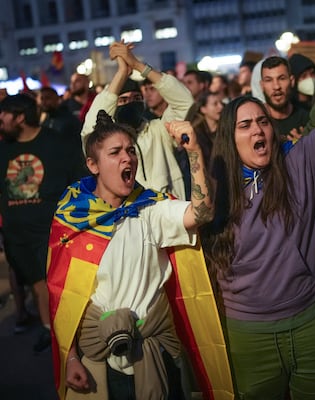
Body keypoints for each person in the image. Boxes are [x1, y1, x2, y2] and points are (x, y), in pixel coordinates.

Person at [201, 26, 315, 399]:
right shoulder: (216, 190)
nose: (258, 130)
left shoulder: (299, 163)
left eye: (262, 121)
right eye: (245, 125)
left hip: (313, 322)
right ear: (230, 139)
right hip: (248, 336)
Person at [47, 109, 233, 399]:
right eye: (115, 152)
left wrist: (194, 152)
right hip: (99, 359)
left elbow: (202, 211)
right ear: (92, 165)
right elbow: (63, 296)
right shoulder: (73, 218)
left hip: (156, 352)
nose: (127, 158)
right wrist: (70, 357)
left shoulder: (150, 208)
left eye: (131, 151)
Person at [0, 93, 86, 353]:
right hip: (17, 236)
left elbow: (80, 185)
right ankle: (53, 334)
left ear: (20, 117)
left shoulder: (59, 144)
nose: (0, 120)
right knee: (38, 287)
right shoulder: (3, 149)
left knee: (56, 286)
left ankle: (69, 340)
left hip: (54, 232)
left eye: (3, 115)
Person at [81, 41, 194, 200]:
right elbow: (90, 127)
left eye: (136, 98)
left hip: (168, 218)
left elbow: (184, 101)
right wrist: (121, 73)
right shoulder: (104, 140)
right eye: (123, 100)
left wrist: (138, 65)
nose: (130, 103)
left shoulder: (159, 130)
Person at [260, 56, 309, 141]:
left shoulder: (307, 120)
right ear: (262, 85)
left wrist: (306, 147)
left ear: (292, 81)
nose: (276, 86)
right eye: (269, 80)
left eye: (282, 78)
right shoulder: (256, 122)